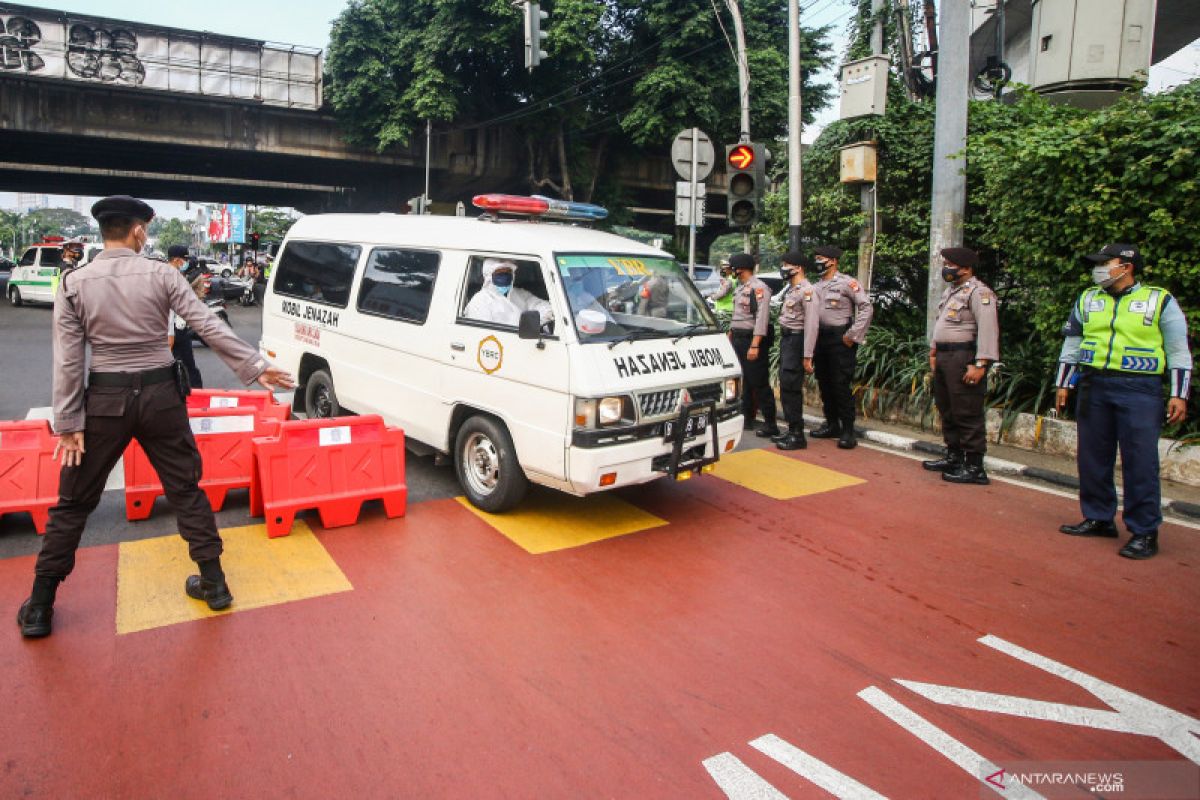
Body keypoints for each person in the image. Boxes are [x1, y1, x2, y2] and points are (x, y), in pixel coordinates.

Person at [16, 196, 295, 639]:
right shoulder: (163, 273)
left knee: (72, 503)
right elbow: (206, 324)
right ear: (139, 231)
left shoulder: (73, 283)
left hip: (105, 400)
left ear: (104, 231)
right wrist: (256, 367)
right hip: (162, 396)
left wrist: (69, 424)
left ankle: (40, 606)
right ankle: (214, 583)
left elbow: (68, 361)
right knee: (185, 488)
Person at [1053, 243, 1192, 560]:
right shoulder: (1089, 298)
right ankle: (1099, 517)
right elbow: (1072, 344)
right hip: (1094, 384)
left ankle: (1144, 531)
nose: (1098, 268)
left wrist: (1178, 392)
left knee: (1140, 460)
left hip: (1140, 388)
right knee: (1092, 456)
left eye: (1105, 262)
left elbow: (1178, 350)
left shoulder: (1159, 300)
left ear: (1126, 266)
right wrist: (1063, 384)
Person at [922, 247, 1000, 484]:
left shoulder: (979, 293)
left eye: (950, 264)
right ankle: (954, 456)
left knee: (967, 411)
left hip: (963, 357)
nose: (946, 268)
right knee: (947, 408)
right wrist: (934, 351)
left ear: (966, 268)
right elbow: (942, 324)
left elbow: (988, 329)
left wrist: (980, 363)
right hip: (946, 357)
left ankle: (975, 466)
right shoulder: (952, 292)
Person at [810, 245, 874, 449]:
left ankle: (848, 430)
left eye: (821, 258)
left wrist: (853, 335)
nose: (818, 262)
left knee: (840, 384)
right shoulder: (816, 286)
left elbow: (866, 307)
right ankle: (831, 425)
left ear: (833, 261)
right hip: (820, 339)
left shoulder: (848, 283)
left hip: (840, 339)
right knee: (825, 383)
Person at [727, 253, 777, 437]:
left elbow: (761, 319)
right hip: (739, 339)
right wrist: (730, 334)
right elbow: (738, 316)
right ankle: (747, 417)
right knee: (745, 381)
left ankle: (771, 423)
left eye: (733, 267)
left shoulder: (758, 288)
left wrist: (755, 345)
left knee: (759, 382)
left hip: (751, 340)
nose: (730, 270)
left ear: (741, 268)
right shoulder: (740, 288)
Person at [774, 251, 819, 450]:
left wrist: (807, 355)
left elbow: (811, 325)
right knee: (785, 385)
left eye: (786, 265)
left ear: (798, 268)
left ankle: (797, 435)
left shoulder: (807, 291)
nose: (783, 269)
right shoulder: (792, 290)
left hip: (797, 341)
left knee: (791, 386)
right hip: (787, 340)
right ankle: (792, 428)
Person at [463, 258, 553, 328]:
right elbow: (484, 335)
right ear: (489, 276)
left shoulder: (519, 294)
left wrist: (533, 323)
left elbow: (544, 307)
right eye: (500, 273)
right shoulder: (480, 302)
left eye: (508, 272)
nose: (505, 276)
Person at [167, 245, 205, 388]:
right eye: (185, 260)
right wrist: (170, 333)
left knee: (180, 362)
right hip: (175, 329)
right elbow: (169, 308)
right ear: (177, 260)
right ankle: (196, 392)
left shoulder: (172, 274)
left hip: (175, 327)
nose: (186, 263)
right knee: (187, 363)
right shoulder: (172, 277)